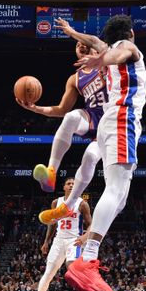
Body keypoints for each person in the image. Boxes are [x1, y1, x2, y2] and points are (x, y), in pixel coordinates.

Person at [45, 15, 146, 291]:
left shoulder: (105, 48)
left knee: (122, 197)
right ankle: (87, 260)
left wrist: (72, 32)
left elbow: (96, 43)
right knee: (114, 190)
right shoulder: (127, 46)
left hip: (108, 125)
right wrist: (102, 59)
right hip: (122, 119)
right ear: (130, 32)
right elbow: (116, 52)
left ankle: (87, 251)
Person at [19, 43, 105, 197]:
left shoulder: (106, 62)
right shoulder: (75, 79)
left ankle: (73, 201)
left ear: (95, 47)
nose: (80, 44)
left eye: (84, 42)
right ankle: (51, 173)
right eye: (77, 44)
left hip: (115, 117)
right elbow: (61, 109)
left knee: (91, 157)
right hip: (93, 118)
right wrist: (35, 108)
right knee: (70, 116)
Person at [32, 178, 100, 291]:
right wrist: (46, 241)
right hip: (58, 240)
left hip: (74, 240)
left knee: (73, 270)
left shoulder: (82, 204)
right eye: (69, 184)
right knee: (49, 273)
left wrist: (85, 237)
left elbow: (91, 225)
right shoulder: (56, 202)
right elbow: (52, 223)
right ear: (64, 187)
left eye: (74, 184)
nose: (71, 186)